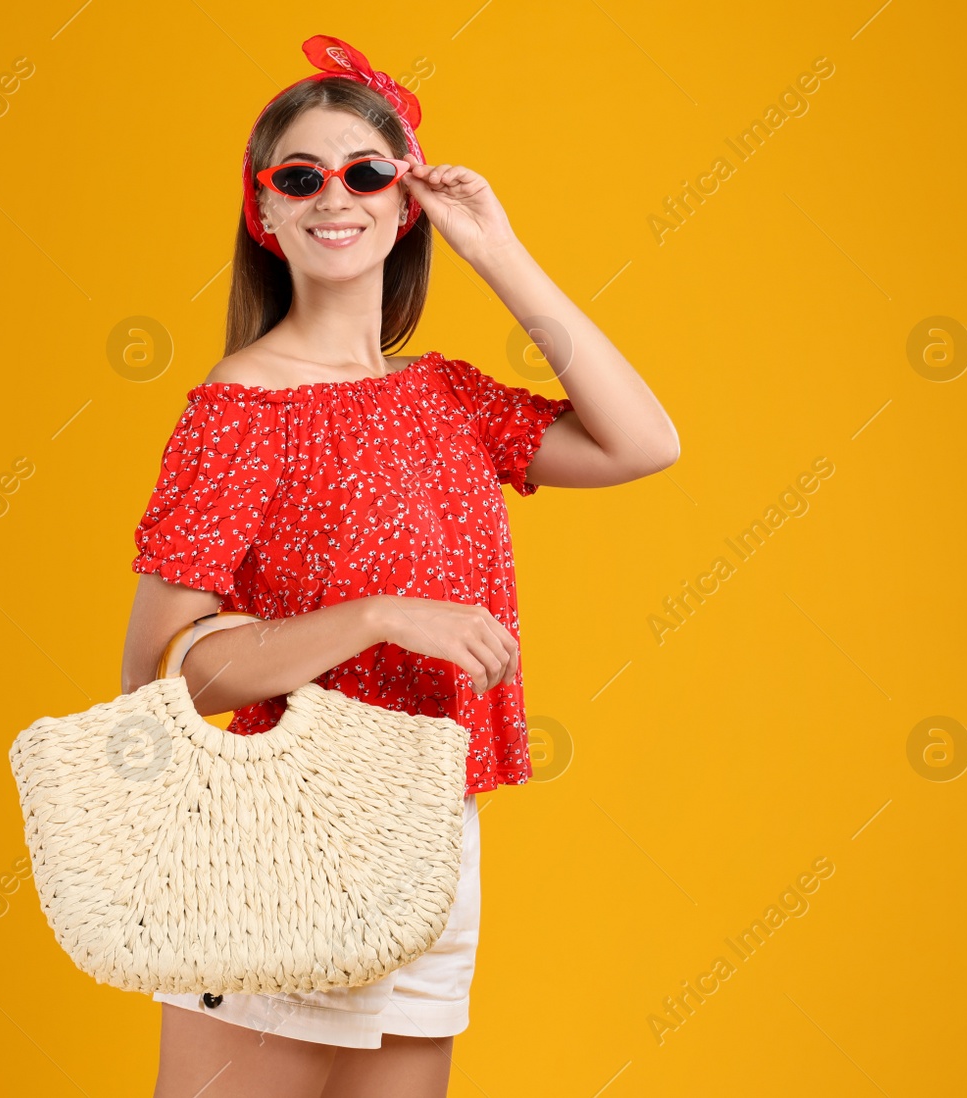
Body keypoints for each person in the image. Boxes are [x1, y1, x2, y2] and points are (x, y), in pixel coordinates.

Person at [121, 35, 679, 1098]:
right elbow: (164, 677)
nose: (337, 196)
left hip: (431, 835)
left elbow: (642, 441)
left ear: (404, 200)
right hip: (284, 845)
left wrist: (497, 250)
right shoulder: (241, 412)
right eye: (300, 175)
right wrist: (379, 615)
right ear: (264, 211)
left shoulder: (449, 399)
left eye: (367, 171)